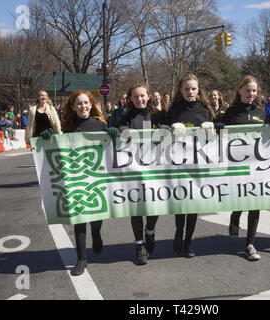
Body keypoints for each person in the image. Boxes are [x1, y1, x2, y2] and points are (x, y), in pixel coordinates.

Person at [221, 75, 270, 261]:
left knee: (255, 204)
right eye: (247, 90)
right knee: (240, 200)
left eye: (254, 91)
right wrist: (218, 125)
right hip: (236, 166)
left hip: (257, 167)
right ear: (239, 90)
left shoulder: (261, 112)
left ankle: (250, 243)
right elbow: (218, 128)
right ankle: (235, 216)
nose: (251, 94)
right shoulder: (230, 112)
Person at [166, 74, 217, 258]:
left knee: (194, 204)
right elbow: (163, 132)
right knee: (181, 203)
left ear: (198, 90)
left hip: (198, 163)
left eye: (193, 89)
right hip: (179, 163)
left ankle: (189, 241)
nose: (190, 92)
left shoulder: (204, 109)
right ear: (180, 90)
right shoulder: (174, 109)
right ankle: (179, 233)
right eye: (186, 89)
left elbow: (213, 139)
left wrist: (210, 128)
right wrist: (172, 126)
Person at [61, 90, 108, 276]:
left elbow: (113, 148)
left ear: (91, 104)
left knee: (96, 216)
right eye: (79, 103)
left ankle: (96, 233)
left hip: (97, 176)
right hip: (76, 177)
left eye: (86, 103)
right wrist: (47, 138)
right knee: (79, 219)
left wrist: (114, 133)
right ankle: (82, 258)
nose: (83, 106)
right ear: (73, 106)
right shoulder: (68, 126)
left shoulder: (99, 125)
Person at [115, 83, 160, 265]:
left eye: (142, 96)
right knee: (136, 208)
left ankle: (150, 231)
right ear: (130, 99)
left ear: (148, 96)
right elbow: (121, 134)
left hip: (156, 168)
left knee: (155, 204)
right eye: (136, 97)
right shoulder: (126, 118)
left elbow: (167, 132)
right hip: (134, 168)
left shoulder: (155, 116)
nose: (140, 99)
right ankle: (139, 246)